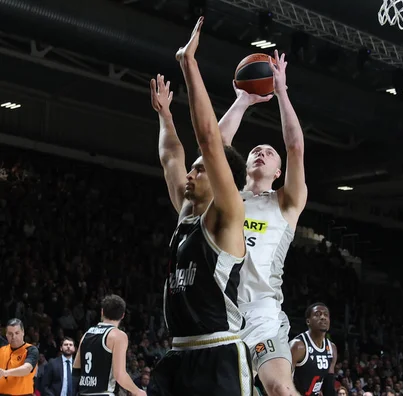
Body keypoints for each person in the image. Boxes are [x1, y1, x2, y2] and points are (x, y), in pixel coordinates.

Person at [147, 16, 251, 396]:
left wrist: (189, 65)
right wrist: (165, 115)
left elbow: (209, 139)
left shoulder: (226, 215)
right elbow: (171, 156)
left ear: (224, 180)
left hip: (217, 353)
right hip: (178, 353)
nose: (190, 174)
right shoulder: (186, 214)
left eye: (200, 171)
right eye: (192, 171)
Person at [219, 49, 308, 396]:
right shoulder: (227, 198)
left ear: (278, 171)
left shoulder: (285, 203)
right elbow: (216, 145)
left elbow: (296, 146)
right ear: (244, 166)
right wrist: (242, 101)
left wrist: (282, 91)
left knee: (281, 390)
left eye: (270, 152)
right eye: (256, 150)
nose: (261, 152)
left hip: (261, 313)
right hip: (218, 314)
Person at [72, 294, 145, 396]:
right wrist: (137, 391)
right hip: (104, 393)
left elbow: (76, 369)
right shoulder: (118, 335)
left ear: (102, 312)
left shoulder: (87, 334)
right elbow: (119, 375)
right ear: (123, 315)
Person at [290, 303, 337, 396]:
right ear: (308, 321)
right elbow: (282, 380)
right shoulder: (298, 346)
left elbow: (328, 384)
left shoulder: (332, 348)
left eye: (326, 315)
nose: (323, 317)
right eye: (318, 314)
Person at [0, 318, 39, 396]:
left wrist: (6, 373)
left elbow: (27, 369)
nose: (13, 336)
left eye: (17, 333)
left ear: (23, 332)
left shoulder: (31, 350)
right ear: (6, 335)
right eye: (10, 333)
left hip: (23, 394)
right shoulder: (1, 350)